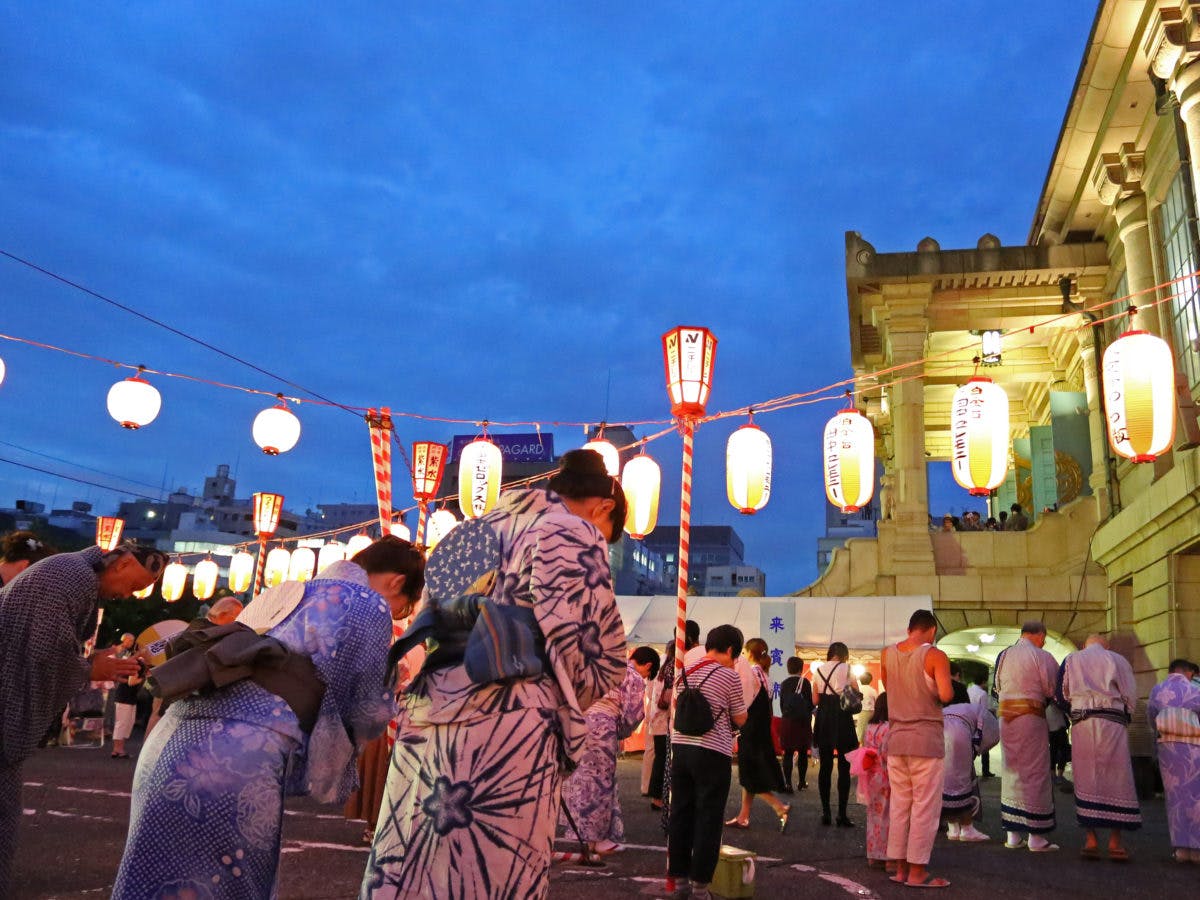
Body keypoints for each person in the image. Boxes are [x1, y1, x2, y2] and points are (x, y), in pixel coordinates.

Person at [362, 449, 628, 899]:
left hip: (431, 711)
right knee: (490, 869)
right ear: (602, 507)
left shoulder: (470, 531)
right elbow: (583, 647)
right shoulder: (571, 529)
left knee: (413, 858)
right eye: (605, 532)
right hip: (510, 717)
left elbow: (425, 625)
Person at [113, 537, 420, 898]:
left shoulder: (288, 591)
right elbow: (365, 707)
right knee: (227, 885)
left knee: (149, 877)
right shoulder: (366, 602)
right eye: (402, 609)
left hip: (170, 737)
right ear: (396, 583)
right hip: (233, 756)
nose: (395, 614)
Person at [0, 542, 165, 898]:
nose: (128, 596)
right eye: (133, 587)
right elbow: (43, 650)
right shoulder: (73, 576)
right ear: (122, 564)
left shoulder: (72, 573)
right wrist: (92, 667)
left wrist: (96, 658)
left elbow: (47, 645)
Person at [665, 625, 748, 900]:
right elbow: (740, 718)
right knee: (708, 818)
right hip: (712, 753)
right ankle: (700, 889)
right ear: (728, 650)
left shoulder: (683, 672)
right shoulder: (729, 676)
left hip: (681, 749)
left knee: (681, 814)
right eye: (734, 655)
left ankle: (679, 884)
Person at [344, 573, 425, 845]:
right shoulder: (392, 643)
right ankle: (376, 824)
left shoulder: (410, 646)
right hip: (388, 716)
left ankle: (380, 824)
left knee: (387, 774)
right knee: (382, 774)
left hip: (400, 715)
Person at [882, 608, 954, 889]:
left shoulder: (887, 654)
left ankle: (899, 867)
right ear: (932, 630)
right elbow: (946, 694)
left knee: (901, 805)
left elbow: (890, 688)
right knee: (925, 807)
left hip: (896, 738)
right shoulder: (935, 655)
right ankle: (917, 872)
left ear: (910, 627)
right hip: (925, 739)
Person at [560, 645, 655, 856]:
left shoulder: (595, 666)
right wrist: (620, 731)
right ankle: (598, 838)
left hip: (577, 723)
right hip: (602, 727)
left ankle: (583, 834)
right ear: (647, 666)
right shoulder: (632, 676)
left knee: (581, 781)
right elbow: (634, 713)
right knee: (601, 783)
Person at [1059, 635, 1141, 860]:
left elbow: (1060, 694)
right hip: (1112, 723)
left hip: (1083, 725)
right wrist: (1124, 715)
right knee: (1118, 778)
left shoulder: (1072, 659)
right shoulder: (1118, 660)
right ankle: (1116, 842)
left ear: (1086, 645)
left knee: (1086, 779)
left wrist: (1076, 710)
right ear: (1106, 646)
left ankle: (1091, 839)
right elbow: (1130, 694)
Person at [995, 620, 1060, 851]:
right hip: (1031, 717)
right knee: (1035, 771)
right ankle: (1036, 836)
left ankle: (1013, 834)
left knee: (1011, 771)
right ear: (1040, 634)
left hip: (1006, 718)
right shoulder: (1041, 656)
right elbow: (1052, 689)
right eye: (1044, 638)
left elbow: (997, 687)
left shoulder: (1003, 655)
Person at [725, 639, 789, 831]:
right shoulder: (765, 675)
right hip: (762, 729)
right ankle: (743, 816)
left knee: (749, 774)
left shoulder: (751, 672)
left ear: (749, 653)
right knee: (750, 772)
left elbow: (742, 700)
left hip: (750, 729)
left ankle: (779, 807)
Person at [1148, 658, 1200, 863]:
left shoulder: (1157, 690)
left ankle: (1181, 850)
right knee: (1196, 797)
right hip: (1194, 749)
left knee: (1175, 798)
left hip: (1167, 748)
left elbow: (1151, 718)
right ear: (1187, 672)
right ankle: (1197, 850)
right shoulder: (1194, 690)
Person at [942, 679, 998, 843]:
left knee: (944, 784)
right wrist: (976, 748)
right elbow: (992, 729)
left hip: (938, 736)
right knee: (964, 782)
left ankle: (952, 827)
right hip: (961, 738)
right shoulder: (972, 708)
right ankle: (967, 827)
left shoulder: (941, 711)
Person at [812, 641, 859, 827]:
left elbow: (815, 700)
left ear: (830, 653)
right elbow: (856, 693)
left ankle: (826, 813)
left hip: (823, 719)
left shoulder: (818, 670)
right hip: (843, 719)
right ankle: (842, 814)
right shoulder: (847, 669)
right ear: (845, 655)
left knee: (824, 767)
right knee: (844, 768)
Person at [859, 694, 892, 870]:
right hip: (886, 774)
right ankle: (889, 858)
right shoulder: (890, 728)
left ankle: (873, 855)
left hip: (871, 775)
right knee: (889, 815)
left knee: (873, 815)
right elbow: (888, 754)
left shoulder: (870, 727)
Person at [646, 641, 676, 810]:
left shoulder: (659, 667)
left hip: (656, 720)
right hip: (667, 721)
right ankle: (661, 797)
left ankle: (655, 797)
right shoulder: (673, 668)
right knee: (667, 760)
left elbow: (650, 693)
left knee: (659, 759)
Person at [778, 656, 813, 792]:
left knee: (788, 753)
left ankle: (787, 783)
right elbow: (809, 704)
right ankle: (802, 781)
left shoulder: (784, 683)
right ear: (801, 668)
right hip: (803, 722)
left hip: (788, 722)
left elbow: (782, 705)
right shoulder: (805, 683)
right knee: (803, 753)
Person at [110, 634, 144, 759]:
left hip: (128, 695)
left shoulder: (133, 657)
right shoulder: (127, 656)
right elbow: (130, 679)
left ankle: (119, 749)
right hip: (124, 694)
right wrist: (143, 678)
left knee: (128, 723)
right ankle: (117, 749)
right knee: (122, 723)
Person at [967, 671, 995, 777]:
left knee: (969, 746)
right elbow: (983, 711)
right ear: (983, 682)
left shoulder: (968, 689)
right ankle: (985, 770)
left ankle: (968, 769)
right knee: (984, 746)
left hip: (968, 720)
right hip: (978, 722)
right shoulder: (982, 693)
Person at [856, 671, 878, 742]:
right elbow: (876, 702)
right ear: (870, 680)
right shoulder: (873, 690)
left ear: (860, 679)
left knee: (861, 732)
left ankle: (860, 749)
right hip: (873, 712)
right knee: (869, 731)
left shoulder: (858, 689)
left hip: (863, 711)